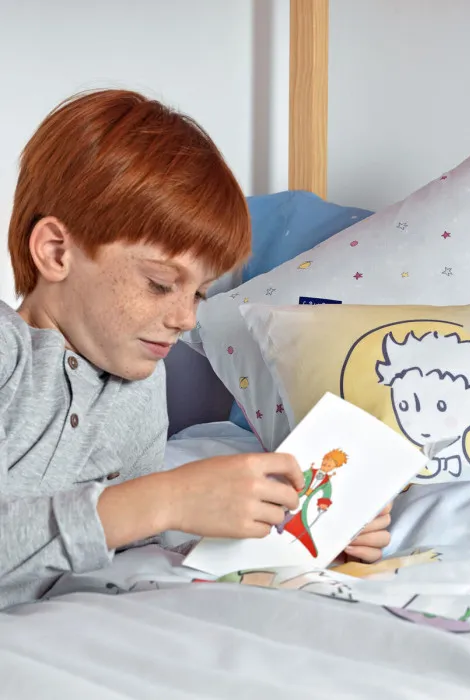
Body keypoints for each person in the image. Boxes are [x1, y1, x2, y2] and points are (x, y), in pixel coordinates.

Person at [0, 89, 391, 610]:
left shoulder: (139, 385)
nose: (186, 319)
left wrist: (296, 536)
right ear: (56, 251)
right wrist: (163, 499)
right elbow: (137, 512)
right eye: (161, 284)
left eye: (200, 294)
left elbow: (121, 557)